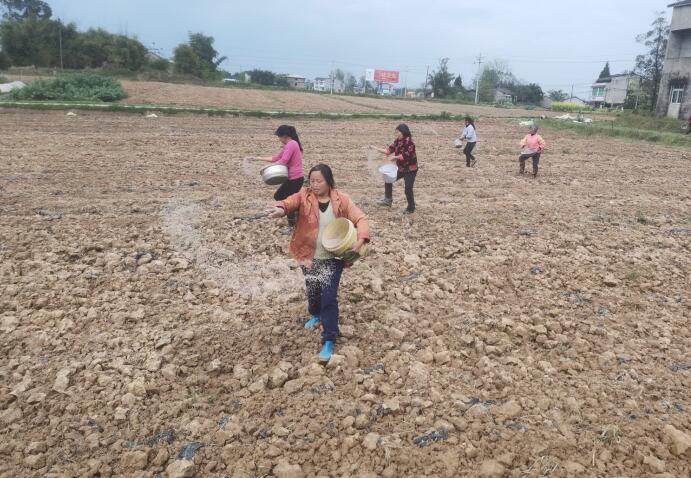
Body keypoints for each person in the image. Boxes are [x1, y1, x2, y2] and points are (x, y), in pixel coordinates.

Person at [266, 164, 370, 362]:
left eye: (319, 181)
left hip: (333, 258)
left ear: (328, 181)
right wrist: (280, 209)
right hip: (308, 256)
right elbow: (289, 202)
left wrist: (361, 239)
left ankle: (329, 338)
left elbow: (361, 218)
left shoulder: (342, 200)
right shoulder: (304, 196)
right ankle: (315, 314)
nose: (314, 185)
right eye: (312, 181)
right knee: (313, 289)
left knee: (328, 298)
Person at [249, 125, 305, 232]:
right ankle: (294, 214)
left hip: (295, 179)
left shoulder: (292, 144)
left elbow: (283, 161)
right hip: (291, 179)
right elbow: (276, 158)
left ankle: (292, 226)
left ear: (284, 136)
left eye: (279, 137)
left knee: (288, 201)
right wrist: (257, 158)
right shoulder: (288, 145)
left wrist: (266, 167)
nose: (279, 139)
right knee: (279, 196)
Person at [371, 124, 418, 214]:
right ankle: (388, 200)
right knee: (388, 178)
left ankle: (411, 208)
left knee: (408, 188)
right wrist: (375, 148)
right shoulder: (397, 141)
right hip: (401, 168)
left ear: (403, 132)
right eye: (396, 132)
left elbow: (406, 156)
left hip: (410, 170)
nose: (397, 134)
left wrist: (395, 157)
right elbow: (388, 151)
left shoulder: (410, 143)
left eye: (398, 132)